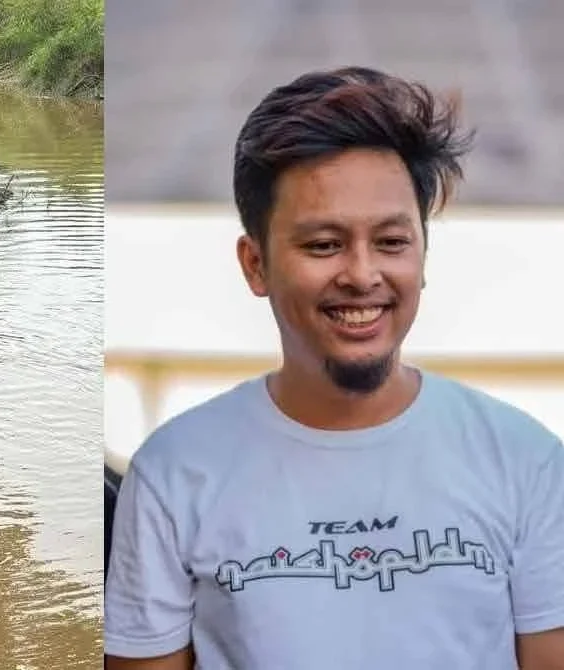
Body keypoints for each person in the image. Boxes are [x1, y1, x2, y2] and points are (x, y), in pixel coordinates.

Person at [104, 66, 564, 668]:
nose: (363, 274)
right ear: (255, 264)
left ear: (423, 256)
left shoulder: (526, 461)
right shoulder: (174, 473)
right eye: (323, 245)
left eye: (392, 242)